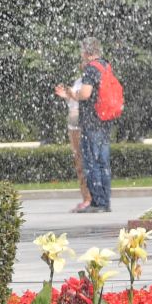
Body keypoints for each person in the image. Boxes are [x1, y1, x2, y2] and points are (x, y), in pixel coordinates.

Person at [63, 37, 115, 213]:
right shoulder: (105, 65)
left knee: (91, 162)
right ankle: (105, 201)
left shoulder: (91, 69)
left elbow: (85, 94)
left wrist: (73, 93)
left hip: (91, 122)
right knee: (103, 162)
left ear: (85, 52)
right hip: (105, 120)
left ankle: (97, 203)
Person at [50, 72, 92, 212]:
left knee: (85, 162)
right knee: (79, 162)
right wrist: (67, 97)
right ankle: (86, 198)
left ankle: (89, 198)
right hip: (74, 126)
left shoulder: (90, 80)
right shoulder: (80, 80)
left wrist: (71, 94)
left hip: (82, 126)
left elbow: (84, 99)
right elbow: (74, 103)